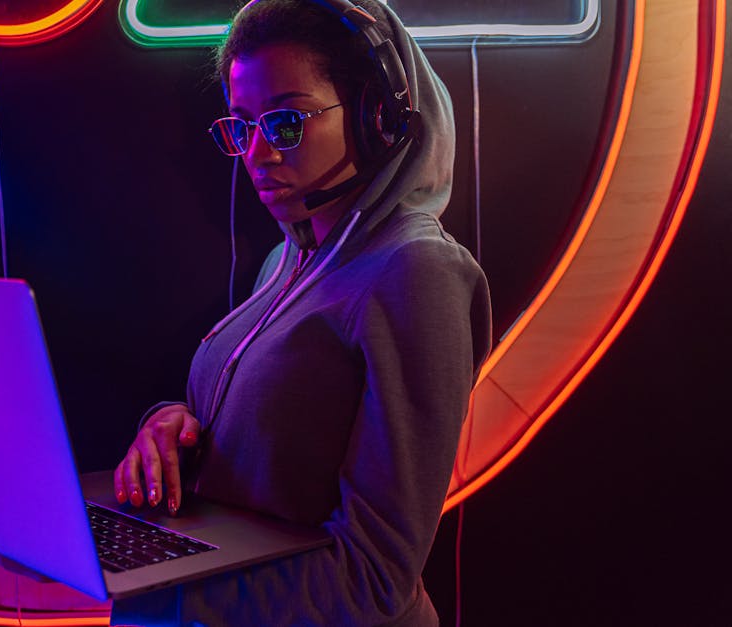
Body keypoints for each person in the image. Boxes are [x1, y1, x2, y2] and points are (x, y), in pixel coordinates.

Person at [111, 0, 491, 624]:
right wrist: (174, 427)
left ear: (377, 116)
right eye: (243, 126)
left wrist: (164, 592)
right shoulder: (288, 259)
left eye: (286, 121)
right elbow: (276, 441)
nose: (258, 154)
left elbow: (373, 577)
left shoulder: (416, 271)